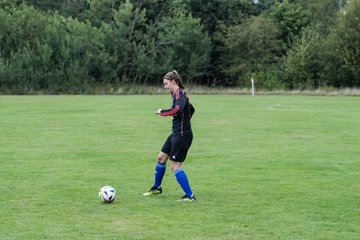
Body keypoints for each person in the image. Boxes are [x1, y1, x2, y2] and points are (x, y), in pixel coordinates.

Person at [143, 70, 196, 202]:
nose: (165, 87)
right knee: (161, 158)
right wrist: (184, 120)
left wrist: (162, 112)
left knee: (175, 166)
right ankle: (157, 187)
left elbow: (177, 109)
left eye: (166, 84)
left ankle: (190, 196)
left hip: (182, 136)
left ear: (173, 82)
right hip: (176, 133)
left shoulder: (180, 93)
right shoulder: (177, 94)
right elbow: (191, 109)